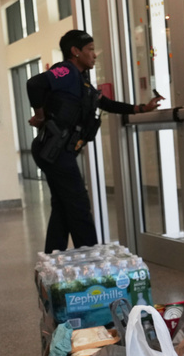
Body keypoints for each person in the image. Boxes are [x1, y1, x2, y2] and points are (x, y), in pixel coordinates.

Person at [26, 29, 163, 252]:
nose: (94, 55)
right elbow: (34, 84)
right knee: (78, 204)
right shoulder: (66, 71)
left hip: (59, 151)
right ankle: (92, 258)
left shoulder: (81, 80)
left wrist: (140, 108)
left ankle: (52, 257)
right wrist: (40, 116)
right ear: (75, 51)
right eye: (90, 50)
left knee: (62, 205)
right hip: (54, 150)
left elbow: (104, 103)